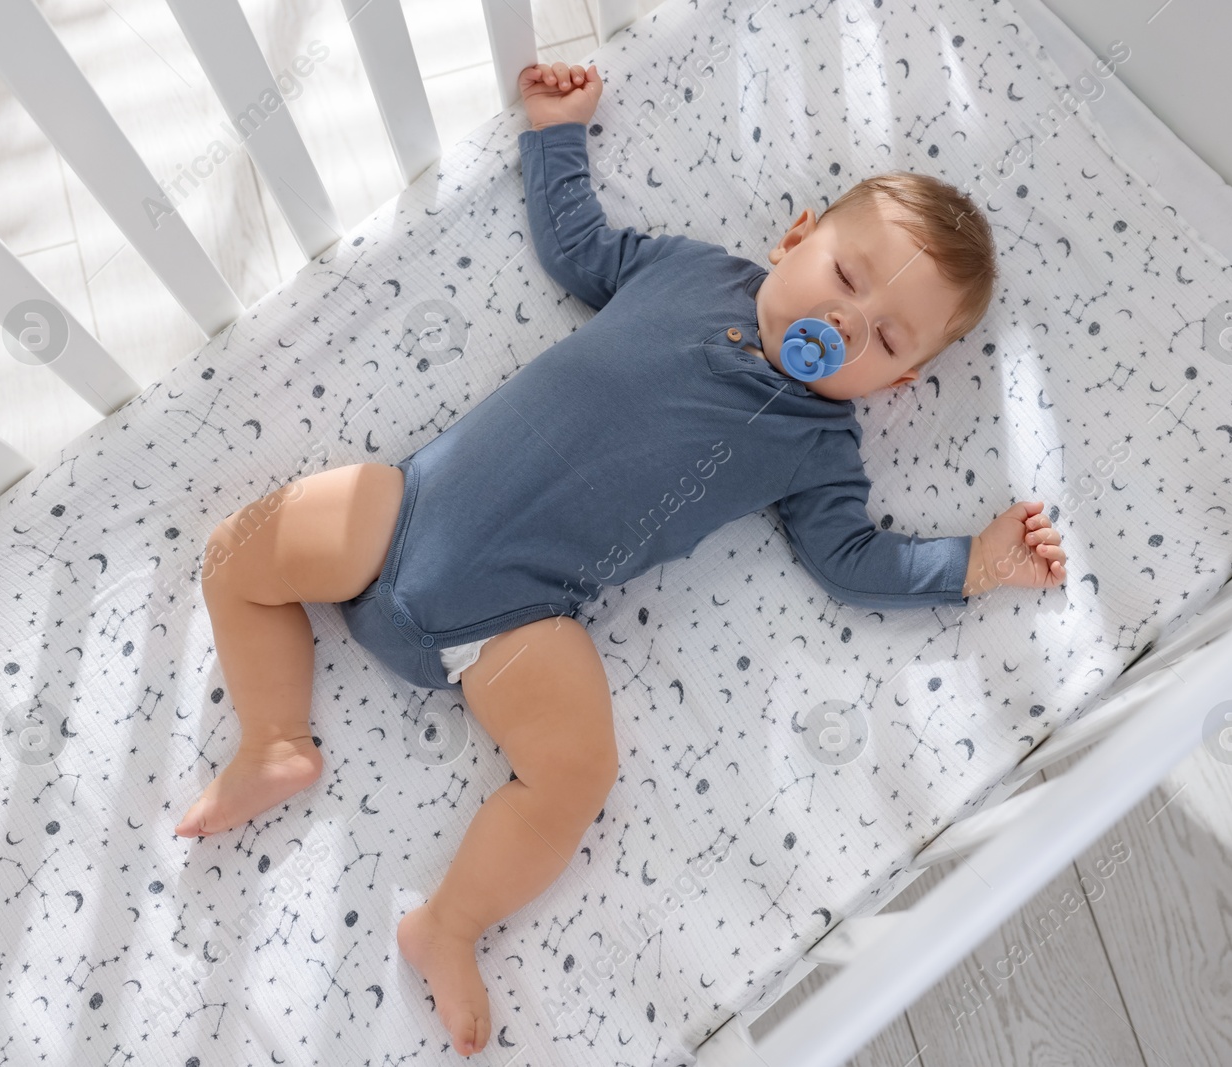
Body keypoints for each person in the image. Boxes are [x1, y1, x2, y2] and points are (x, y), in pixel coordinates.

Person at [173, 60, 1066, 1056]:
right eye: (846, 278)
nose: (843, 323)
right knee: (235, 552)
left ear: (899, 380)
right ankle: (274, 738)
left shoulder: (816, 448)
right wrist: (555, 133)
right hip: (405, 508)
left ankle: (450, 924)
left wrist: (969, 564)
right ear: (796, 236)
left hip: (514, 625)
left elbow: (849, 558)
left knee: (577, 770)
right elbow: (579, 249)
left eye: (883, 336)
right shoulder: (686, 271)